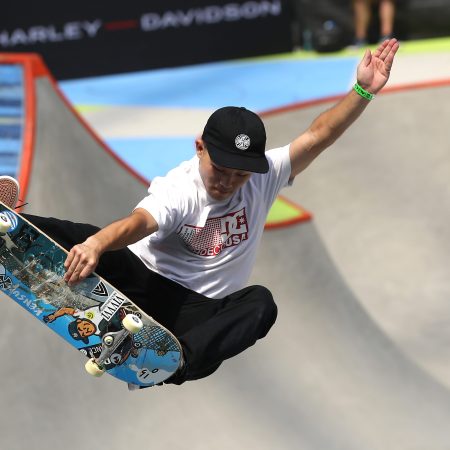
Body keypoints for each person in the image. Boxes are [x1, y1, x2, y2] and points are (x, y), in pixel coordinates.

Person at [0, 39, 399, 387]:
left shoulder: (266, 175)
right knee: (84, 235)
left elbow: (318, 135)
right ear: (199, 148)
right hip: (139, 284)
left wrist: (362, 92)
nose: (226, 182)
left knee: (261, 303)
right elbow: (138, 223)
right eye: (219, 170)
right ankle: (8, 230)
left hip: (194, 315)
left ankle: (173, 363)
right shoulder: (182, 186)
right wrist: (98, 243)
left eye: (239, 175)